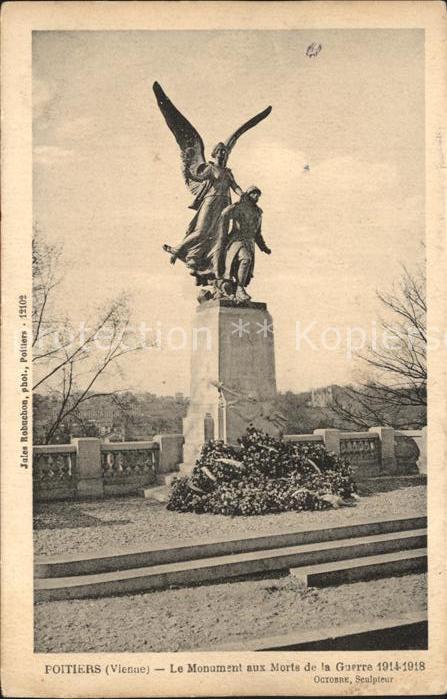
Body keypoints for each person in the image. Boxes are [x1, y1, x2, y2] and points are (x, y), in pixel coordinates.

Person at [162, 143, 243, 286]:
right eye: (220, 152)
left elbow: (234, 186)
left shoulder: (228, 172)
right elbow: (197, 177)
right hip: (210, 202)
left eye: (225, 152)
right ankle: (178, 249)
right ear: (215, 153)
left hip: (224, 205)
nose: (223, 154)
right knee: (201, 231)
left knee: (219, 237)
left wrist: (241, 194)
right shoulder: (210, 168)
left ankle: (215, 268)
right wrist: (186, 168)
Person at [213, 186, 271, 303]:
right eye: (254, 194)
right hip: (237, 240)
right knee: (246, 259)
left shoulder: (258, 212)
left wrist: (264, 247)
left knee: (246, 265)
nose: (256, 197)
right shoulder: (239, 208)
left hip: (250, 242)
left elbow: (257, 233)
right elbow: (224, 214)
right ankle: (240, 288)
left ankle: (236, 287)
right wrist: (234, 205)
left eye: (258, 195)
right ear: (248, 195)